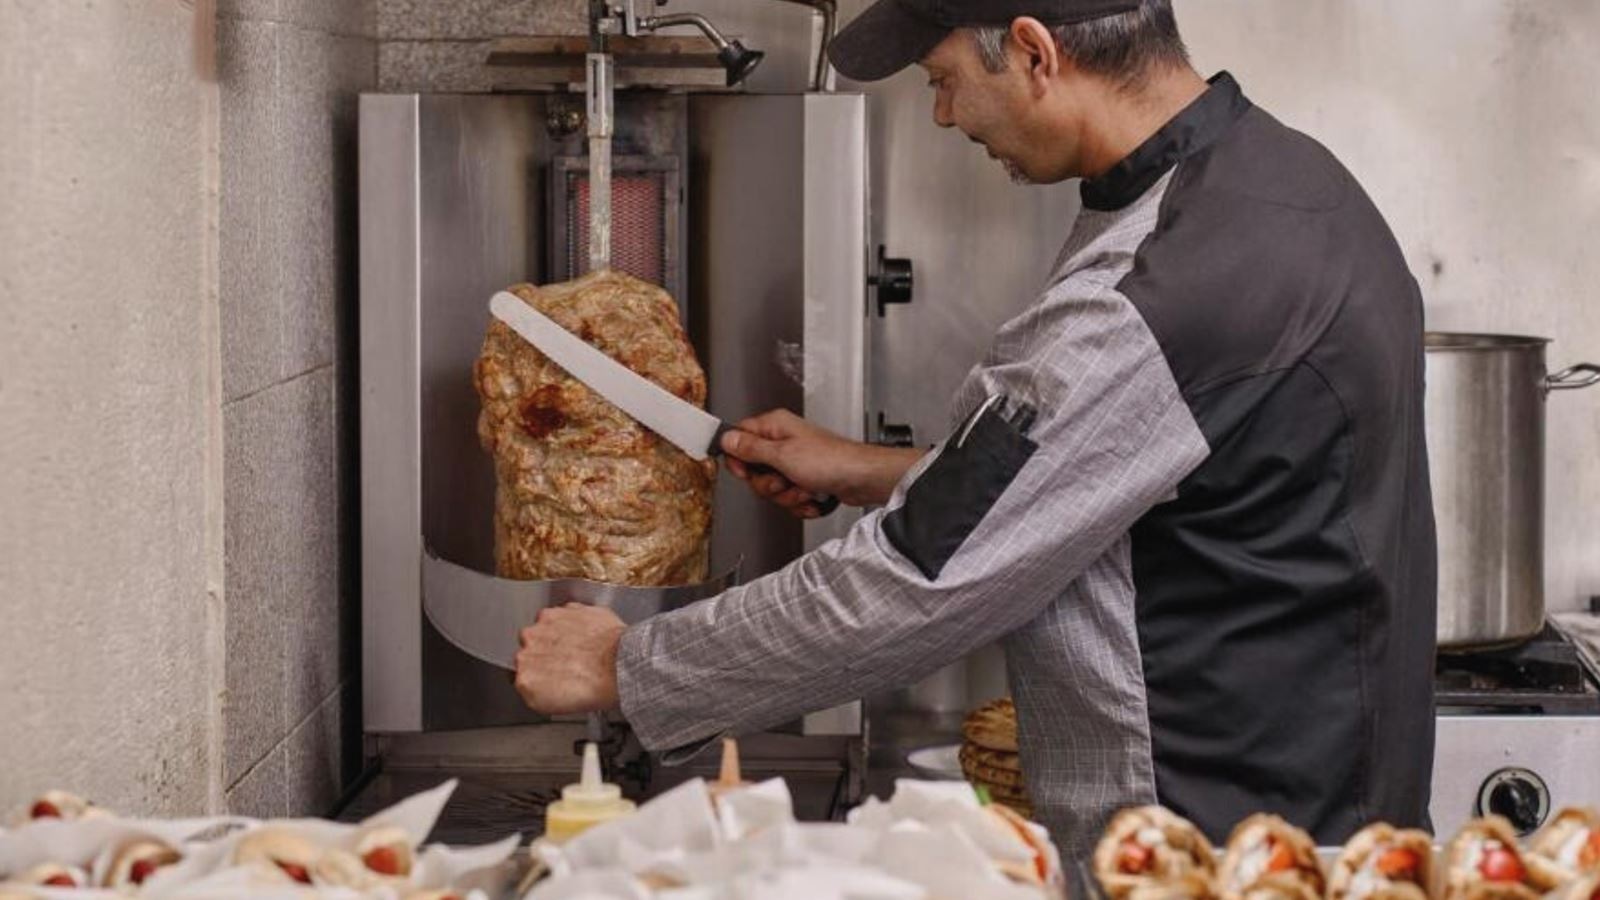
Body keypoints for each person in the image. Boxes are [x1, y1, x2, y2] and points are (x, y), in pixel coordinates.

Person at [513, 0, 1438, 857]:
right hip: (1321, 821)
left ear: (1035, 52)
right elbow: (1125, 469)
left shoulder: (1156, 292)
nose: (945, 115)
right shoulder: (1287, 183)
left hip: (1208, 853)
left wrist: (632, 666)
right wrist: (872, 469)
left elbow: (913, 582)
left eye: (943, 80)